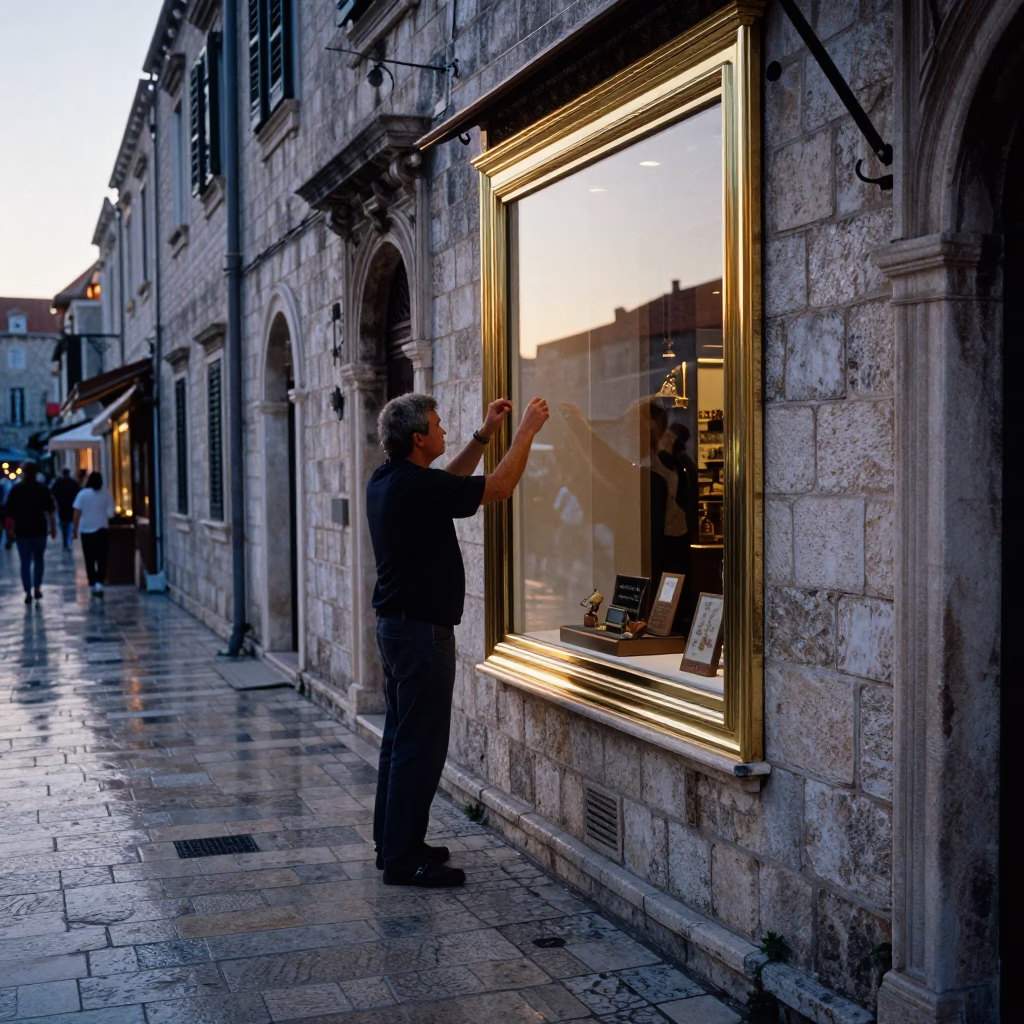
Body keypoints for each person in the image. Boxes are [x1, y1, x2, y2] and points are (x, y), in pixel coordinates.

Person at [368, 392, 549, 888]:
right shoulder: (411, 487)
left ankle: (393, 844)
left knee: (399, 742)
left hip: (398, 628)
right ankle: (404, 860)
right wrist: (526, 432)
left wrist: (484, 434)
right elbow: (499, 487)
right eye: (439, 426)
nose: (446, 432)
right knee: (420, 748)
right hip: (421, 634)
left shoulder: (390, 480)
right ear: (419, 438)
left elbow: (445, 483)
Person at [4, 462, 57, 603]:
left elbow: (9, 513)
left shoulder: (16, 490)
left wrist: (9, 533)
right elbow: (51, 510)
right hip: (39, 530)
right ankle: (37, 587)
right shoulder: (42, 489)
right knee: (39, 560)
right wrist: (53, 529)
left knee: (25, 562)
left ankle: (27, 591)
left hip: (22, 532)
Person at [73, 472, 116, 594]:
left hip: (86, 531)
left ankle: (92, 582)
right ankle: (100, 582)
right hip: (102, 530)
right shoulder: (107, 495)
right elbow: (110, 514)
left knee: (89, 558)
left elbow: (76, 513)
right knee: (102, 558)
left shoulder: (82, 495)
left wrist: (75, 530)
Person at [51, 468, 80, 551]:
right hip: (71, 507)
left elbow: (53, 492)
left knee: (63, 525)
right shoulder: (73, 483)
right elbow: (78, 492)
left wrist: (57, 501)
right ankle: (69, 541)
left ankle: (65, 541)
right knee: (70, 524)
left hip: (62, 507)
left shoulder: (59, 483)